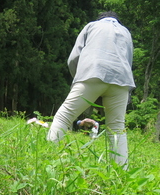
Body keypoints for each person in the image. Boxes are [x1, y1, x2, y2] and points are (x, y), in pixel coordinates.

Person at [47, 11, 135, 169]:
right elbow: (128, 60)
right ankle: (121, 173)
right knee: (117, 129)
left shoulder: (91, 26)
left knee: (64, 116)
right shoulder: (125, 32)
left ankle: (49, 159)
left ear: (100, 18)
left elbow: (74, 57)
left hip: (92, 73)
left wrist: (79, 78)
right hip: (122, 80)